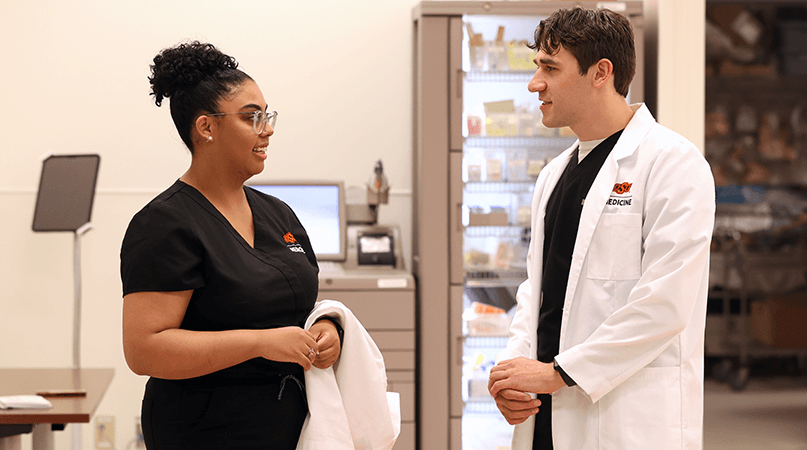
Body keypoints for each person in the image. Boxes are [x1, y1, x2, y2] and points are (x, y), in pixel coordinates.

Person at [487, 7, 715, 450]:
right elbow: (536, 293)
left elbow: (665, 303)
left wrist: (559, 373)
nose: (536, 84)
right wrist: (515, 372)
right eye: (538, 68)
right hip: (546, 414)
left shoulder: (671, 163)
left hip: (625, 420)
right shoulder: (553, 175)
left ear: (601, 72)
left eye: (550, 69)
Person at [120, 41, 342, 450]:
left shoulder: (278, 214)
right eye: (251, 117)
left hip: (288, 426)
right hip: (204, 430)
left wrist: (325, 330)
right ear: (207, 127)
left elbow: (296, 306)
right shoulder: (164, 224)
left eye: (267, 115)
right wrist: (260, 342)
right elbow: (144, 349)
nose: (268, 128)